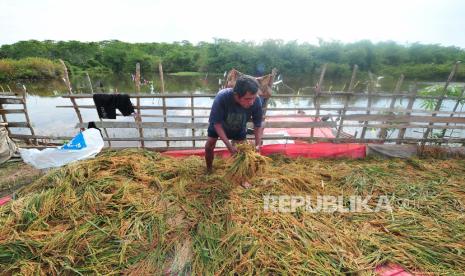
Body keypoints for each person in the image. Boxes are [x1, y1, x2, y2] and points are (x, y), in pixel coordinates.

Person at [205, 75, 263, 174]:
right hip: (219, 126)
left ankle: (237, 174)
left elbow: (258, 124)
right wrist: (229, 146)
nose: (252, 102)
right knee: (209, 145)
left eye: (253, 98)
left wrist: (258, 145)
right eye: (248, 99)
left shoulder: (256, 100)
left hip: (239, 127)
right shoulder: (222, 97)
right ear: (236, 95)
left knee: (241, 154)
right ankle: (209, 169)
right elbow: (217, 124)